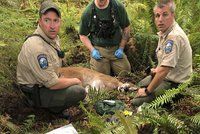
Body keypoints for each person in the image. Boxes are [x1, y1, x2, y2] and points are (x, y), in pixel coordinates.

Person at [17, 0, 86, 116]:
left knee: (73, 81)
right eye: (47, 20)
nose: (52, 26)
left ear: (60, 22)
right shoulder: (37, 47)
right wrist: (76, 81)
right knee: (78, 91)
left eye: (55, 21)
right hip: (35, 93)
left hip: (43, 83)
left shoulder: (51, 39)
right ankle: (52, 110)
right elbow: (52, 84)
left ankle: (54, 105)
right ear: (39, 21)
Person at [132, 0, 192, 106]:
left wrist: (147, 91)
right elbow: (164, 65)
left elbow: (164, 71)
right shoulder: (165, 32)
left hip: (176, 85)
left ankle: (168, 103)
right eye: (157, 15)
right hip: (167, 76)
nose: (160, 20)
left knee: (136, 102)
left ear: (172, 15)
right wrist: (156, 70)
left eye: (165, 15)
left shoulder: (174, 37)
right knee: (141, 84)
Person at [79, 0, 131, 76]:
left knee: (125, 73)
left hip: (116, 48)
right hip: (99, 50)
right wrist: (92, 50)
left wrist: (121, 47)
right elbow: (82, 35)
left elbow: (126, 27)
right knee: (101, 78)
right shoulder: (88, 12)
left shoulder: (117, 6)